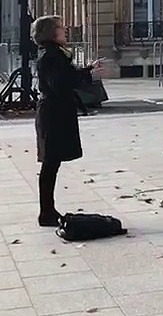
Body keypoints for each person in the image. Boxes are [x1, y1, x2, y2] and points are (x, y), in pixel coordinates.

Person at [33, 14, 105, 226]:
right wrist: (88, 77)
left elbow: (65, 77)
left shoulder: (56, 54)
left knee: (52, 163)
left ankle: (48, 209)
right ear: (52, 33)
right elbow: (60, 82)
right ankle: (46, 211)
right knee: (50, 163)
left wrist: (88, 70)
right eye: (61, 28)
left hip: (57, 111)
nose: (65, 31)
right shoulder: (51, 55)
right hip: (53, 113)